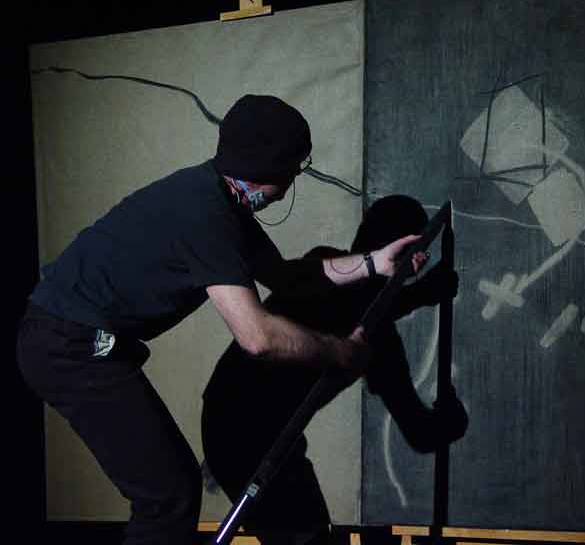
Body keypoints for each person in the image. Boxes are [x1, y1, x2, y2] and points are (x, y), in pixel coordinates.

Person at [15, 95, 428, 545]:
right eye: (294, 170)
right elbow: (258, 337)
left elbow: (286, 278)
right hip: (68, 346)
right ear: (271, 170)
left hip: (77, 339)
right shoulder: (207, 216)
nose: (292, 182)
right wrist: (342, 352)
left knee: (172, 490)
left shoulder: (217, 198)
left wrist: (373, 263)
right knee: (168, 496)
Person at [201, 194, 469, 545]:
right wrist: (418, 295)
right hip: (240, 426)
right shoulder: (331, 278)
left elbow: (418, 430)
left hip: (258, 433)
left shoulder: (375, 334)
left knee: (309, 533)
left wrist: (449, 421)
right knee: (304, 535)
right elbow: (353, 306)